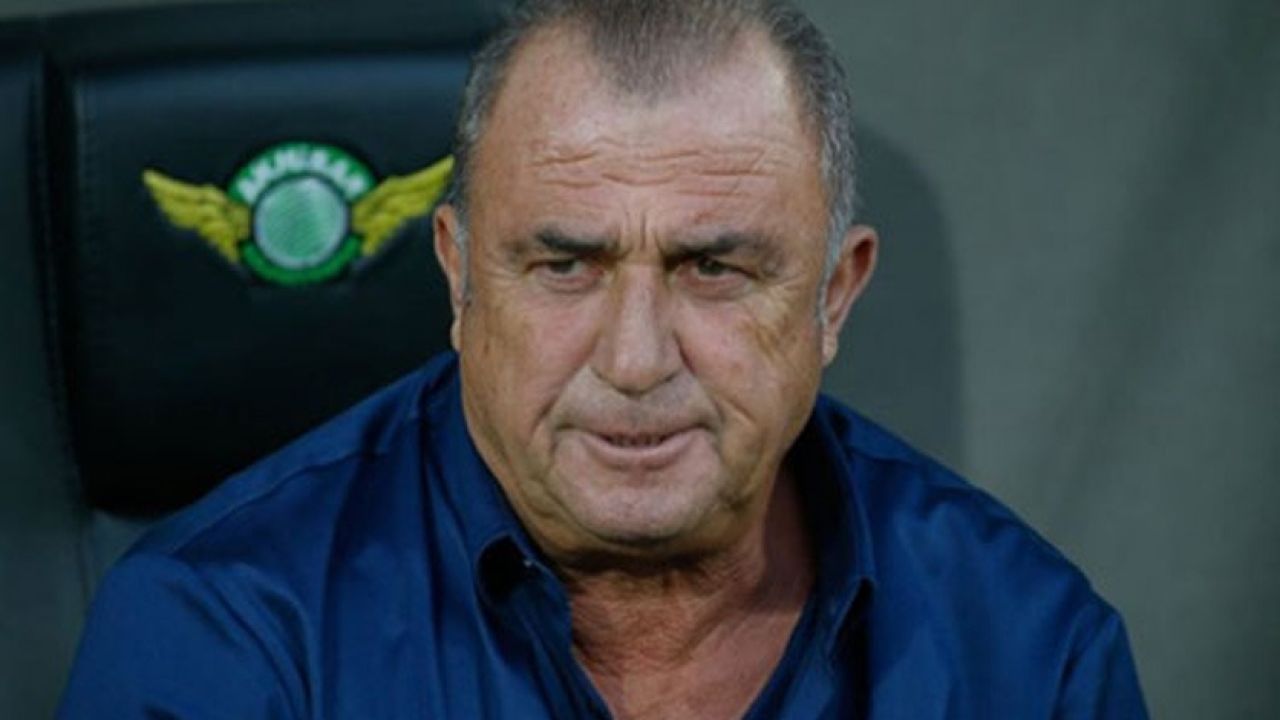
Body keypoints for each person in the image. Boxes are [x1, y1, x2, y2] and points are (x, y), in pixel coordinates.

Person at [59, 0, 1147, 717]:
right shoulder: (222, 635)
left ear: (833, 295)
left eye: (713, 268)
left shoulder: (1025, 648)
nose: (633, 361)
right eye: (564, 266)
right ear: (458, 276)